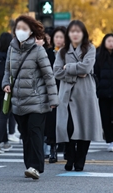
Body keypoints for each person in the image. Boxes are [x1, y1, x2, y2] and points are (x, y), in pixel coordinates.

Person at [2, 15, 59, 180]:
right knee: (25, 135)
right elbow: (7, 70)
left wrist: (53, 100)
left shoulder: (38, 50)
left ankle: (36, 166)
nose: (20, 31)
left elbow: (49, 76)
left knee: (35, 132)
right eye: (18, 28)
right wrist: (6, 84)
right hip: (18, 101)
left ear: (31, 32)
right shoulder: (11, 49)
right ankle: (29, 166)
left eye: (24, 28)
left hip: (37, 101)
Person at [54, 20, 102, 172]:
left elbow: (87, 68)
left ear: (83, 33)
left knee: (84, 125)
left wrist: (68, 67)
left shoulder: (90, 48)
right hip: (67, 93)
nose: (75, 34)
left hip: (85, 93)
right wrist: (76, 73)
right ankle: (71, 156)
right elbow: (56, 71)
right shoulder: (62, 51)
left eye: (78, 31)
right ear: (68, 34)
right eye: (72, 31)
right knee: (67, 127)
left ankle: (81, 158)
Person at [94, 34, 113, 152]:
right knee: (105, 118)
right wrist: (98, 87)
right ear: (104, 42)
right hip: (102, 92)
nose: (111, 43)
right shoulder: (99, 57)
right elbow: (95, 74)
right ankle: (110, 141)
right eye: (108, 41)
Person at [45, 26, 66, 163]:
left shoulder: (68, 53)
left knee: (64, 119)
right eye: (56, 37)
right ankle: (52, 148)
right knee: (51, 120)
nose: (58, 40)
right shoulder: (47, 52)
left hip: (65, 88)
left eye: (61, 37)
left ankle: (64, 146)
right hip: (51, 89)